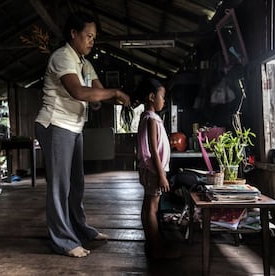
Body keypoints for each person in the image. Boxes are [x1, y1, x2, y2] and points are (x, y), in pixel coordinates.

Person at [34, 12, 130, 258]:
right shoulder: (62, 57)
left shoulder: (84, 63)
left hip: (74, 127)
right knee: (60, 186)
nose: (91, 41)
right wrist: (113, 92)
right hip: (55, 125)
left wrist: (101, 100)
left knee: (77, 183)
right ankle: (63, 241)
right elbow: (78, 91)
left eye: (94, 38)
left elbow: (97, 91)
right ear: (73, 34)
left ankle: (79, 228)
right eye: (88, 36)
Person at [134, 77, 180, 260]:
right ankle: (157, 249)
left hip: (149, 170)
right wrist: (162, 175)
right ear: (152, 97)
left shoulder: (148, 117)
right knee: (152, 209)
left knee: (148, 208)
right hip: (154, 171)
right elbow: (153, 149)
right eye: (162, 96)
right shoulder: (152, 119)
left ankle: (151, 243)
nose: (164, 100)